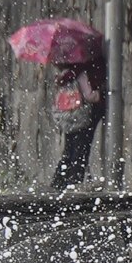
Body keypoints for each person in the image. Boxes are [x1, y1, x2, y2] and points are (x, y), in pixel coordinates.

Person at [51, 55, 107, 191]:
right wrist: (101, 93)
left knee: (69, 149)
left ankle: (58, 182)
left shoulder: (63, 76)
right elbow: (90, 96)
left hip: (68, 117)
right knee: (80, 149)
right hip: (81, 116)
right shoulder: (80, 74)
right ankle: (74, 180)